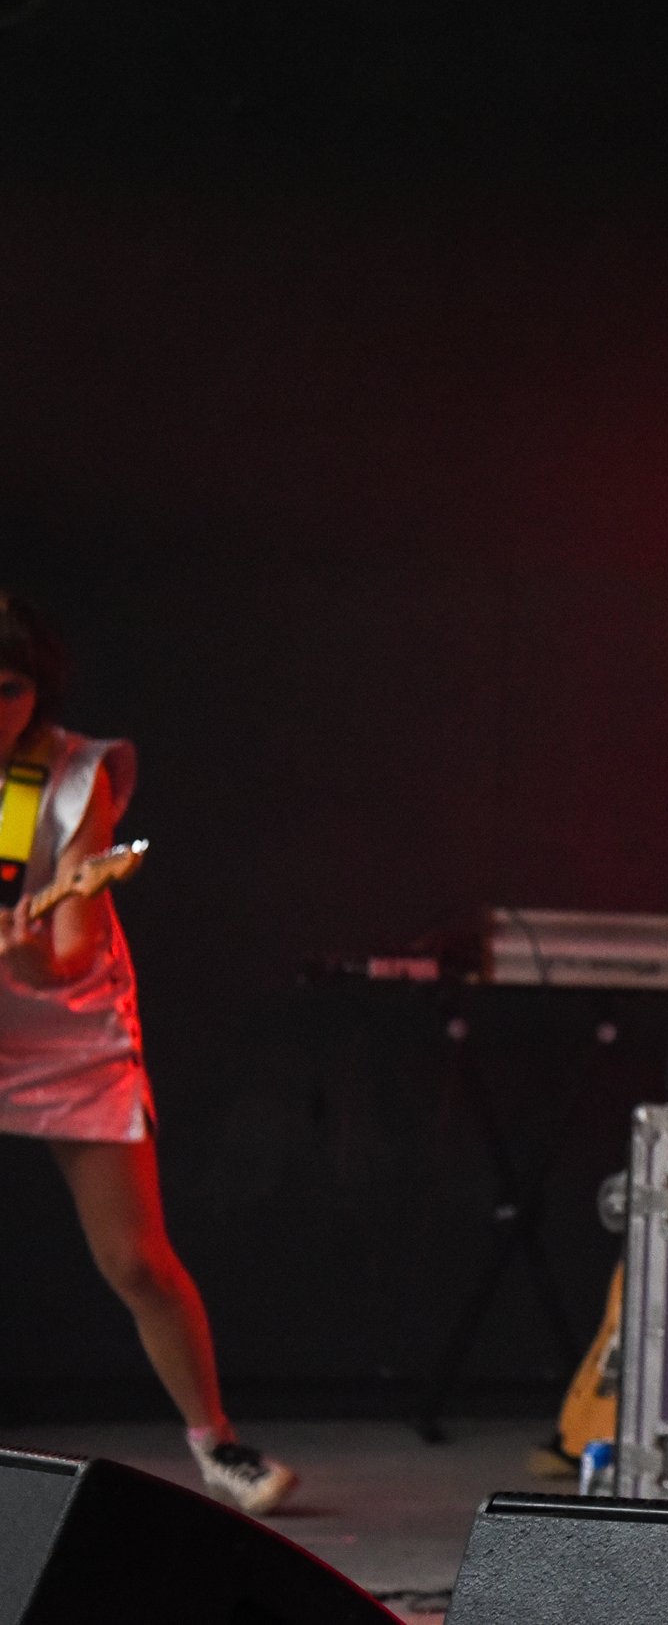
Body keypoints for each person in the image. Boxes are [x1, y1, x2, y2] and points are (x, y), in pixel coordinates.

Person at [0, 593, 296, 1515]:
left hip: (65, 1032)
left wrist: (33, 958)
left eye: (7, 687)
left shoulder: (69, 775)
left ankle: (219, 1445)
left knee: (135, 1259)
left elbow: (79, 944)